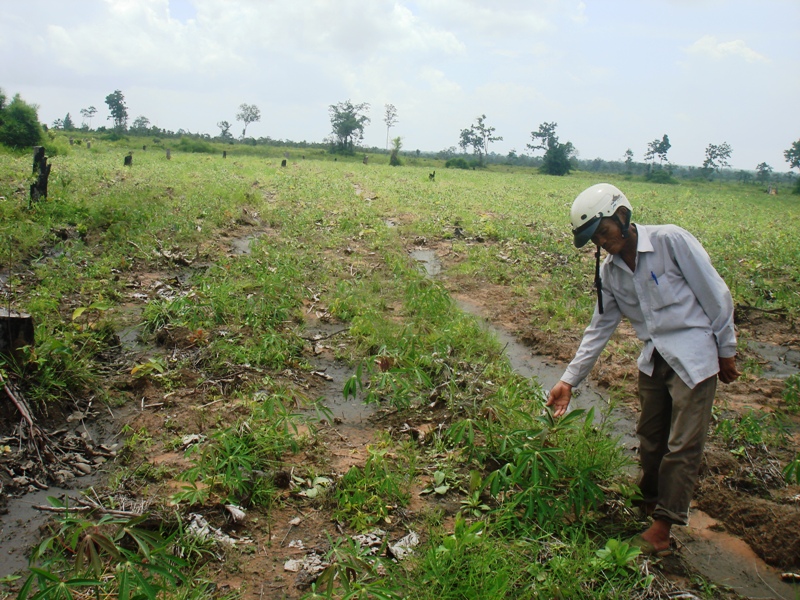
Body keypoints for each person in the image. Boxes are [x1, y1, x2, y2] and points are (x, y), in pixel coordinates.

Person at [546, 183, 740, 555]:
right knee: (650, 440)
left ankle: (663, 529)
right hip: (655, 358)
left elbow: (716, 295)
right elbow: (599, 328)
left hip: (695, 355)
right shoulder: (611, 273)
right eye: (595, 240)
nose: (602, 243)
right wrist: (568, 380)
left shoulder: (671, 242)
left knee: (682, 445)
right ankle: (650, 503)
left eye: (604, 232)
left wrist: (726, 349)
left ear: (623, 216)